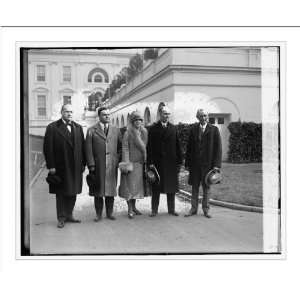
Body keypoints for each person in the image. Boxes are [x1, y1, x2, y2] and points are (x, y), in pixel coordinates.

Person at [43, 104, 85, 228]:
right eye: (67, 111)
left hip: (76, 166)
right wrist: (51, 165)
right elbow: (47, 148)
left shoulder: (78, 128)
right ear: (61, 112)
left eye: (71, 112)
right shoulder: (52, 127)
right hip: (60, 166)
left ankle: (69, 215)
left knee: (73, 191)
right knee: (61, 193)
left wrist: (83, 164)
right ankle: (61, 218)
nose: (69, 114)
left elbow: (82, 147)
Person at [85, 107, 122, 221]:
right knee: (98, 191)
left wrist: (116, 160)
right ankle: (98, 214)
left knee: (110, 190)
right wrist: (91, 165)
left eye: (108, 114)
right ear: (99, 116)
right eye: (104, 114)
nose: (107, 116)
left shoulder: (116, 130)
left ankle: (110, 213)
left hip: (111, 165)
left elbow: (120, 147)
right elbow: (88, 149)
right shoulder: (91, 130)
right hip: (98, 166)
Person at [184, 108, 222, 218]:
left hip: (208, 165)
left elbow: (218, 149)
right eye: (201, 116)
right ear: (197, 117)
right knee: (194, 188)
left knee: (206, 188)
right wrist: (187, 163)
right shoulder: (193, 129)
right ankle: (193, 209)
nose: (203, 118)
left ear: (208, 116)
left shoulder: (214, 130)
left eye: (205, 115)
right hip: (195, 165)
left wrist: (216, 165)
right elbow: (189, 147)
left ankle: (206, 210)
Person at [147, 105, 183, 217]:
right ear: (160, 114)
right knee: (156, 188)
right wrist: (150, 163)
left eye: (168, 114)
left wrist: (179, 162)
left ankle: (171, 210)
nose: (166, 116)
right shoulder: (153, 129)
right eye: (164, 114)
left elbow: (178, 146)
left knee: (171, 187)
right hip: (157, 163)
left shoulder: (174, 128)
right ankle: (154, 210)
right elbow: (150, 147)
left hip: (171, 163)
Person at [118, 111, 148, 219]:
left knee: (136, 188)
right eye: (136, 120)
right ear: (132, 122)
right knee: (129, 188)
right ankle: (130, 209)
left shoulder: (144, 132)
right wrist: (126, 163)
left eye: (140, 120)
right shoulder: (128, 133)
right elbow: (125, 148)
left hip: (139, 164)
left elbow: (145, 148)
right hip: (130, 164)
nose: (138, 122)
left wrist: (145, 160)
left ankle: (134, 207)